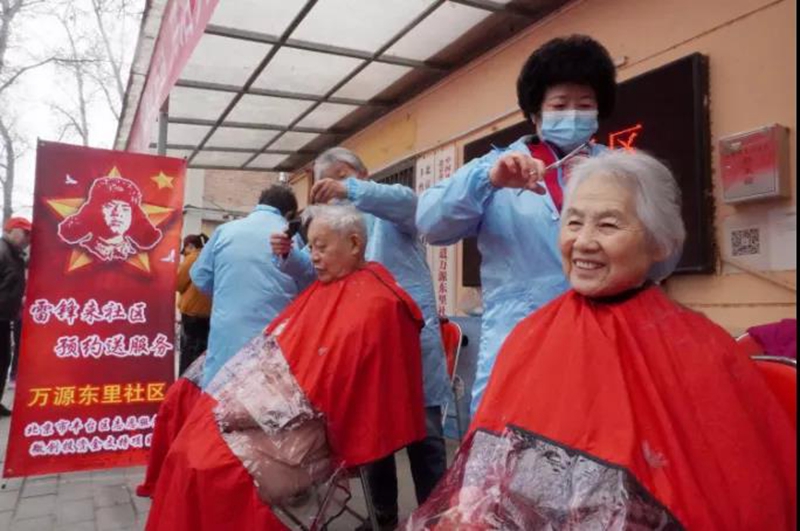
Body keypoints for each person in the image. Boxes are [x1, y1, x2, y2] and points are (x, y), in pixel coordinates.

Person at [405, 150, 796, 530]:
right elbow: (492, 466)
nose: (584, 242)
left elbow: (731, 498)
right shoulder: (530, 334)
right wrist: (472, 508)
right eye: (573, 223)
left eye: (608, 225)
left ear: (660, 242)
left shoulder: (703, 350)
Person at [145, 205, 428, 531]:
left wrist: (254, 407)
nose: (314, 257)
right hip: (276, 407)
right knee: (186, 444)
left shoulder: (378, 302)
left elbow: (335, 385)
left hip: (302, 425)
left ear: (353, 243)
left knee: (203, 467)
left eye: (321, 247)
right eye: (310, 247)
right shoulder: (329, 288)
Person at [416, 35, 617, 414]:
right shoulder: (497, 167)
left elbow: (659, 254)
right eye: (559, 105)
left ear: (598, 112)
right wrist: (487, 181)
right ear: (536, 114)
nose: (572, 114)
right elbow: (430, 222)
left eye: (585, 105)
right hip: (519, 348)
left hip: (603, 343)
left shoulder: (621, 171)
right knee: (510, 457)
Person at [271, 147, 450, 529]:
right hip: (367, 353)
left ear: (363, 174)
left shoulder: (391, 215)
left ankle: (434, 519)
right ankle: (382, 516)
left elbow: (409, 202)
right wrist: (291, 256)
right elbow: (319, 272)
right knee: (375, 436)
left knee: (427, 439)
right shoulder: (333, 225)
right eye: (329, 182)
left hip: (411, 349)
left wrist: (352, 189)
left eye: (344, 176)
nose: (337, 187)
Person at [191, 184, 302, 387]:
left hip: (226, 345)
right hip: (274, 346)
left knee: (218, 407)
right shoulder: (292, 239)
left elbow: (199, 278)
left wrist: (227, 293)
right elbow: (305, 285)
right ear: (290, 214)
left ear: (259, 205)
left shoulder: (225, 231)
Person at [58, 176, 162, 261]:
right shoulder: (80, 251)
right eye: (110, 206)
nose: (117, 213)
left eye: (125, 209)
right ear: (95, 211)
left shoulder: (136, 256)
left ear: (133, 216)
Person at [0, 217, 32, 416]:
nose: (28, 238)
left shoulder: (16, 255)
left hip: (5, 317)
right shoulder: (3, 252)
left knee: (4, 360)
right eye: (25, 233)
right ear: (12, 231)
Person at [176, 234, 212, 374]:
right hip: (209, 313)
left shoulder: (193, 258)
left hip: (192, 313)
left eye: (185, 251)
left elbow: (178, 283)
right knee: (202, 353)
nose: (185, 254)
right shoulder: (211, 257)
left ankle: (184, 383)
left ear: (190, 246)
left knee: (188, 351)